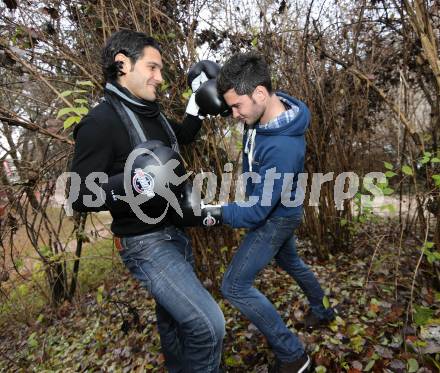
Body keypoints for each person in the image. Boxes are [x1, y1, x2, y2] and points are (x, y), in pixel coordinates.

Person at [70, 30, 225, 373]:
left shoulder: (150, 114)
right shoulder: (100, 123)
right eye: (153, 68)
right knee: (208, 325)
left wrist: (197, 103)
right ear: (122, 64)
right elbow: (78, 194)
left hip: (175, 235)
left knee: (173, 324)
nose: (160, 78)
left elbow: (180, 137)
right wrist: (133, 183)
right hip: (145, 243)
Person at [181, 51, 335, 373]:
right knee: (289, 260)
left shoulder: (282, 148)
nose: (233, 114)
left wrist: (212, 211)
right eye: (231, 106)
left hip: (274, 216)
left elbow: (254, 213)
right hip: (283, 207)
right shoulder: (262, 111)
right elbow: (240, 107)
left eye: (236, 106)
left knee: (234, 286)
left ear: (261, 94)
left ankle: (293, 356)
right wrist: (212, 99)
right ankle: (322, 310)